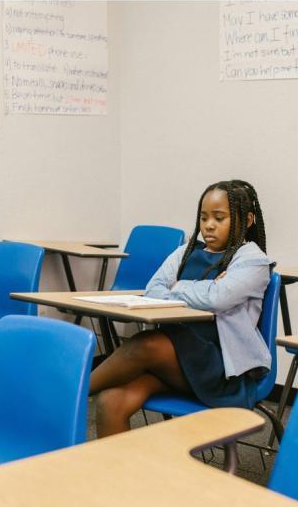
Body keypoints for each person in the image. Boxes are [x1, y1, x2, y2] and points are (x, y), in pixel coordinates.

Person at [89, 179, 272, 438]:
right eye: (204, 217)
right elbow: (153, 290)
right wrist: (201, 288)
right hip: (174, 364)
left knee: (148, 343)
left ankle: (70, 393)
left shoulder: (253, 260)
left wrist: (178, 286)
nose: (209, 225)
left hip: (221, 370)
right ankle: (120, 478)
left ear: (248, 220)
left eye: (219, 218)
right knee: (111, 401)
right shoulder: (185, 252)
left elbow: (218, 298)